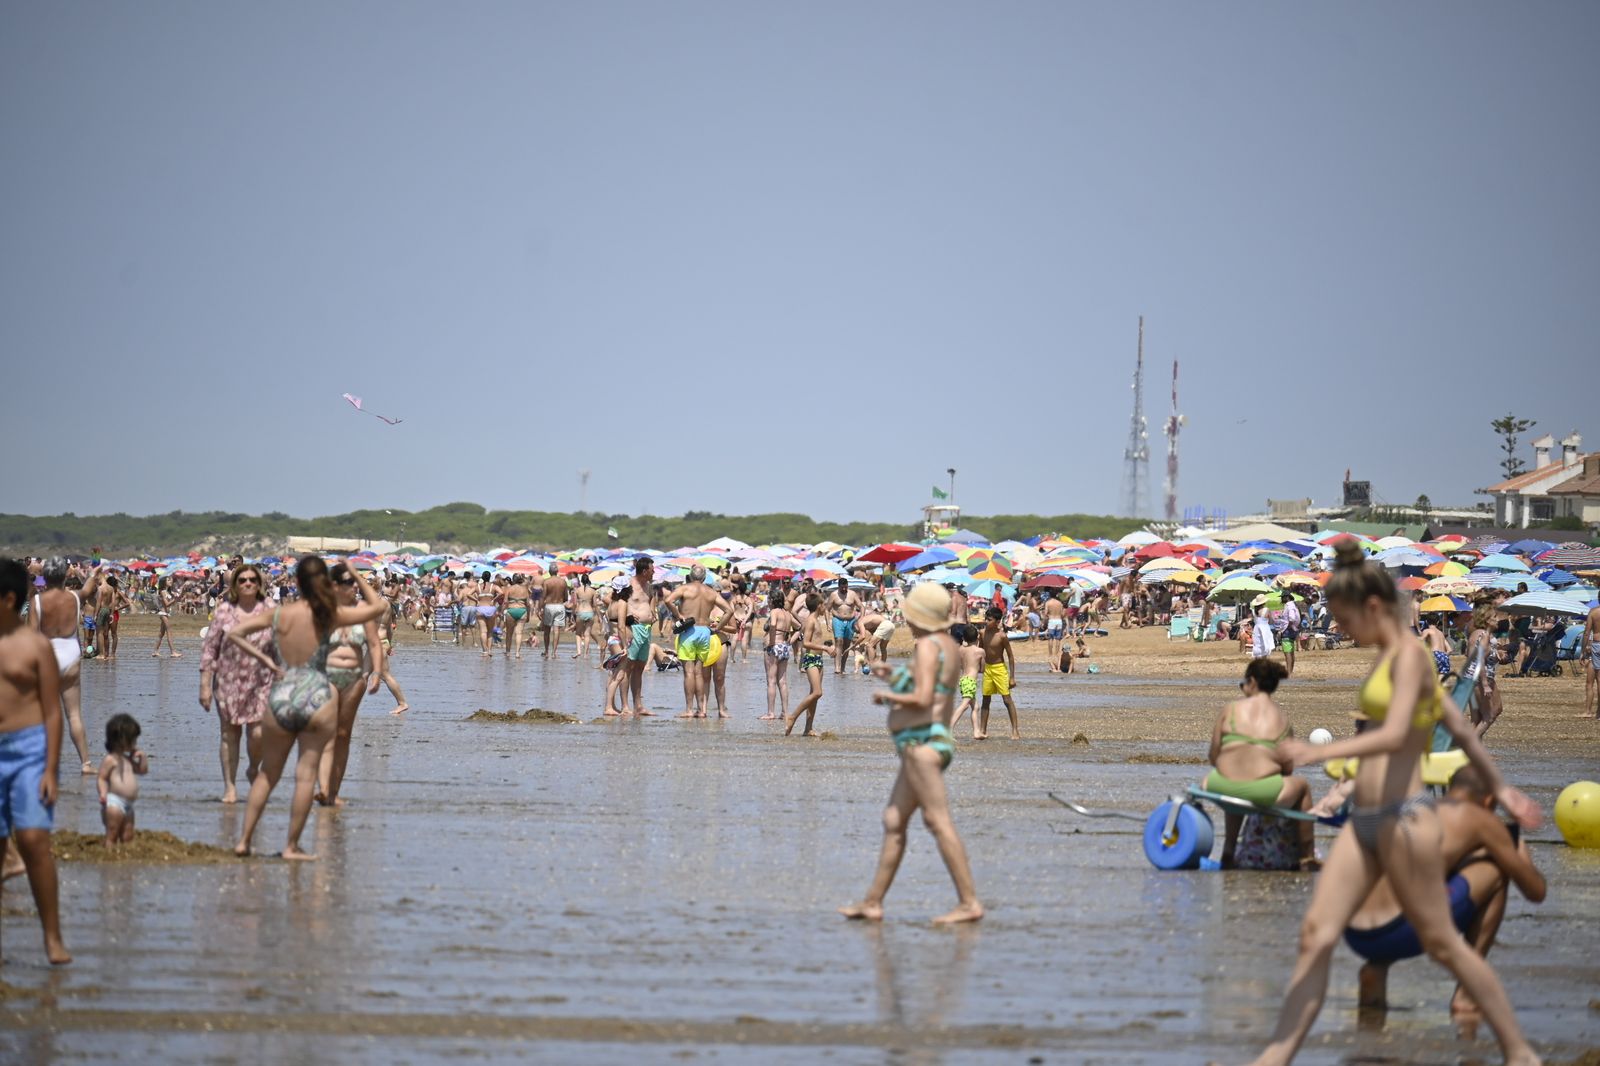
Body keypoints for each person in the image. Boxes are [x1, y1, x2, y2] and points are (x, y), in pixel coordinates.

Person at [1241, 539, 1542, 1066]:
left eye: (1343, 618)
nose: (1339, 629)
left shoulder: (1410, 658)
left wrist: (1318, 752)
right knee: (1316, 934)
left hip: (1405, 820)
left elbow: (1400, 732)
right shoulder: (1386, 661)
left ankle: (1519, 1052)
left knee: (1443, 944)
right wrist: (1506, 789)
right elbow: (1463, 732)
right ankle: (1273, 1058)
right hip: (1367, 821)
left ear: (1373, 608)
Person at [1345, 763, 1546, 1019]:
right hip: (1394, 931)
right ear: (1488, 800)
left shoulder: (1413, 808)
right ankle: (1467, 992)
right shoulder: (1480, 819)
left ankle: (1377, 967)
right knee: (1496, 871)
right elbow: (1536, 891)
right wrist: (1515, 847)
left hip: (1355, 931)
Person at [838, 582, 982, 925]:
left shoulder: (930, 645)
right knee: (894, 821)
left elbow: (921, 698)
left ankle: (969, 903)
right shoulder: (944, 644)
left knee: (937, 821)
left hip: (924, 745)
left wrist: (887, 698)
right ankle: (872, 902)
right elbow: (930, 685)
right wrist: (894, 675)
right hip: (922, 744)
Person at [226, 556, 386, 860]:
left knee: (268, 774)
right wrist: (354, 573)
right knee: (305, 775)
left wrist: (268, 661)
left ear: (296, 582)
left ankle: (244, 841)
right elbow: (377, 607)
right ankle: (291, 846)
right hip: (316, 691)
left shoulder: (279, 614)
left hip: (284, 690)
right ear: (324, 584)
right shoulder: (328, 615)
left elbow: (234, 633)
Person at [0, 557, 70, 964]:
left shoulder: (34, 646)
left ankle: (52, 937)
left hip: (29, 749)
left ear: (9, 599)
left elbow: (51, 711)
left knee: (33, 840)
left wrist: (49, 769)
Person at [1203, 659, 1315, 869]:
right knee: (1303, 787)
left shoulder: (1231, 709)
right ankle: (1306, 856)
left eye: (1244, 682)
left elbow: (1213, 755)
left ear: (1252, 681)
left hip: (1220, 786)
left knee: (1235, 783)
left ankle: (1228, 850)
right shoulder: (1281, 718)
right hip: (1262, 792)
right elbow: (1287, 769)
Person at [199, 564, 275, 804]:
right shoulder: (224, 611)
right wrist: (204, 683)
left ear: (259, 583)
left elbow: (282, 642)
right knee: (229, 735)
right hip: (228, 680)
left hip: (261, 682)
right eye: (242, 580)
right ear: (235, 585)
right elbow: (210, 648)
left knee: (258, 733)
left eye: (253, 579)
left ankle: (253, 767)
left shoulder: (270, 609)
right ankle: (230, 787)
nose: (248, 583)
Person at [315, 563, 386, 807]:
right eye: (348, 583)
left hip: (354, 677)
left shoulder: (363, 609)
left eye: (355, 583)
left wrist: (376, 673)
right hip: (327, 674)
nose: (353, 587)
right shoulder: (323, 610)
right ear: (334, 586)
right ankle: (323, 788)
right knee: (329, 732)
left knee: (344, 734)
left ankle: (334, 792)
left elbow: (374, 644)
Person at [29, 558, 98, 774]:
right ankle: (85, 763)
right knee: (74, 715)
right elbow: (89, 586)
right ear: (64, 576)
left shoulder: (37, 602)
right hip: (70, 656)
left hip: (46, 658)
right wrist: (91, 573)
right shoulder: (75, 597)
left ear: (45, 577)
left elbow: (30, 637)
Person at [664, 565, 733, 719]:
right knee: (699, 673)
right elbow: (729, 610)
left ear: (690, 576)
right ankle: (701, 710)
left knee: (688, 672)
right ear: (704, 578)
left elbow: (668, 600)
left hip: (689, 630)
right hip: (705, 632)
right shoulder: (711, 592)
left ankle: (689, 709)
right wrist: (719, 627)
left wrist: (678, 615)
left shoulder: (685, 588)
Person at [96, 712, 148, 847]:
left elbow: (142, 771)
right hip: (114, 803)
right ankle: (108, 856)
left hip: (128, 804)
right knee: (112, 833)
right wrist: (102, 793)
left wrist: (142, 758)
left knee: (128, 835)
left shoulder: (127, 759)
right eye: (133, 740)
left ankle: (123, 863)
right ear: (121, 740)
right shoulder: (110, 759)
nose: (135, 743)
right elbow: (101, 778)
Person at [784, 593, 831, 737]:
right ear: (819, 606)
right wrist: (825, 648)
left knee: (814, 695)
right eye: (823, 605)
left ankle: (808, 728)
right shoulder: (810, 621)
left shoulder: (816, 620)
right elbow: (805, 643)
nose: (825, 608)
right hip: (810, 658)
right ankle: (792, 717)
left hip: (818, 659)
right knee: (818, 692)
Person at [622, 557, 658, 717]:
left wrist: (653, 613)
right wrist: (629, 614)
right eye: (652, 570)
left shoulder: (649, 587)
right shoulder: (628, 584)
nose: (654, 572)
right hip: (633, 629)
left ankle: (639, 705)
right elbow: (610, 599)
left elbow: (649, 602)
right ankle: (625, 706)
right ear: (644, 571)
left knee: (639, 668)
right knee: (628, 667)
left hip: (646, 629)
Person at [977, 606, 1019, 740]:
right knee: (985, 699)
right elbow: (980, 651)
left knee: (1007, 700)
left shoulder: (1002, 636)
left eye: (989, 620)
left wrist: (1012, 677)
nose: (986, 621)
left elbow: (1011, 657)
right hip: (988, 669)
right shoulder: (982, 633)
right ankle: (983, 729)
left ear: (997, 621)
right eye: (986, 619)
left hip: (1000, 669)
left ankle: (1015, 730)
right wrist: (978, 667)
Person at [762, 589, 801, 722]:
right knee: (782, 681)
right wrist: (790, 640)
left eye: (768, 600)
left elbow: (773, 625)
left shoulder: (774, 612)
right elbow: (800, 627)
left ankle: (770, 713)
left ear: (772, 600)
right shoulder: (787, 614)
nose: (768, 602)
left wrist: (772, 643)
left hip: (774, 647)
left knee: (771, 681)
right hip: (784, 647)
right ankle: (785, 712)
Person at [1466, 603, 1503, 729]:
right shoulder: (1485, 636)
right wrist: (1485, 683)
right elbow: (1479, 659)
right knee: (1489, 716)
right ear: (1487, 620)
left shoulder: (1475, 633)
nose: (1498, 619)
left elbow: (1469, 655)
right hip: (1480, 679)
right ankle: (1471, 746)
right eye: (1495, 616)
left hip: (1470, 678)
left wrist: (1495, 654)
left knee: (1476, 719)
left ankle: (1468, 747)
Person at [948, 624, 984, 739]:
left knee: (975, 707)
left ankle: (976, 732)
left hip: (963, 679)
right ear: (977, 638)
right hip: (970, 681)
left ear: (964, 638)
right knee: (964, 706)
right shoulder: (980, 651)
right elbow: (983, 669)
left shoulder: (961, 650)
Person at [827, 577, 865, 675]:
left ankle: (843, 668)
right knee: (839, 641)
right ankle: (837, 667)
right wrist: (828, 623)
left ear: (847, 586)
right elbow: (827, 609)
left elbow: (861, 606)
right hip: (837, 620)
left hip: (850, 621)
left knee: (847, 645)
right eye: (842, 587)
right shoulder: (834, 595)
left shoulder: (852, 594)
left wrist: (861, 619)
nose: (844, 589)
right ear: (838, 586)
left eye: (845, 587)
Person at [539, 567, 569, 659]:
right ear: (557, 571)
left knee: (547, 630)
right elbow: (566, 598)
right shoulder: (563, 582)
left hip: (549, 605)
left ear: (549, 572)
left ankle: (547, 651)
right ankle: (554, 652)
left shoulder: (546, 582)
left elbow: (543, 596)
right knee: (556, 631)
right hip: (559, 606)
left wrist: (539, 608)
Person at [502, 575, 531, 659]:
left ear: (513, 580)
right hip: (522, 611)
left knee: (509, 633)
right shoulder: (525, 589)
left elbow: (505, 601)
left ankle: (508, 652)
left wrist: (502, 612)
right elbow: (528, 604)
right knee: (519, 633)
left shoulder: (509, 588)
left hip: (511, 610)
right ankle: (517, 653)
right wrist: (528, 615)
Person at [151, 577, 180, 657]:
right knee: (169, 632)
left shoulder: (167, 591)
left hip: (166, 613)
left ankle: (155, 651)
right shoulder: (163, 592)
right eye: (168, 580)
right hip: (163, 613)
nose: (171, 581)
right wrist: (174, 600)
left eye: (171, 579)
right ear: (164, 582)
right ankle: (173, 652)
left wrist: (175, 599)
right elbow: (167, 604)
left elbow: (169, 604)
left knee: (161, 634)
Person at [571, 574, 598, 660]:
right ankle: (585, 654)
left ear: (581, 581)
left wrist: (573, 613)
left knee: (578, 633)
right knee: (587, 634)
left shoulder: (577, 590)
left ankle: (579, 651)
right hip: (589, 612)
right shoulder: (593, 591)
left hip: (580, 612)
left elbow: (575, 604)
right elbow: (595, 604)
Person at [1278, 591, 1301, 676]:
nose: (1281, 599)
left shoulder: (1289, 606)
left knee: (1287, 652)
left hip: (1288, 630)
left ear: (1287, 597)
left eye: (1282, 597)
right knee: (1291, 652)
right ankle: (1290, 671)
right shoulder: (1293, 605)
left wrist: (1287, 627)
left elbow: (1291, 618)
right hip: (1293, 629)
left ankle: (1288, 672)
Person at [1584, 602, 1600, 719]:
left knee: (1599, 679)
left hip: (1597, 644)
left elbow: (1586, 633)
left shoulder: (1593, 612)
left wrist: (1583, 651)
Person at [1043, 592, 1066, 672]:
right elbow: (1063, 614)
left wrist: (1047, 617)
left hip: (1052, 620)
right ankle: (1056, 653)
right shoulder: (1060, 603)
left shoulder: (1048, 603)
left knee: (1050, 638)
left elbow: (1045, 613)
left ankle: (1050, 653)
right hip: (1059, 620)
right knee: (1058, 639)